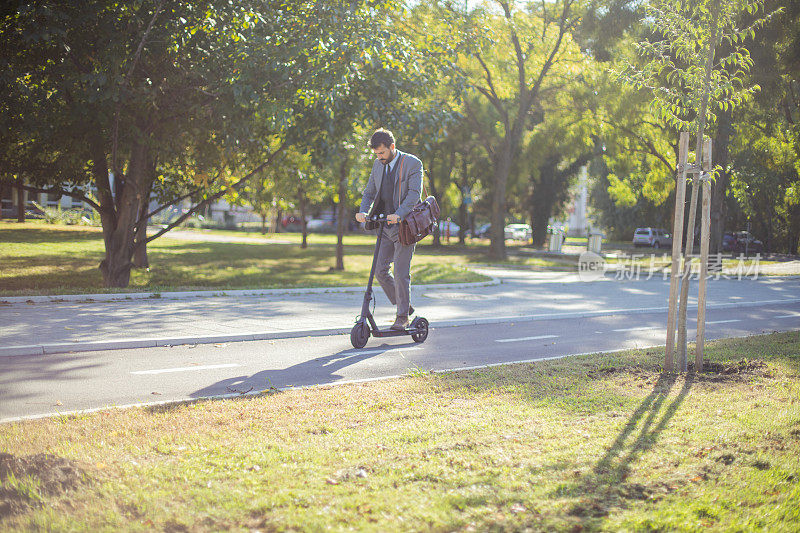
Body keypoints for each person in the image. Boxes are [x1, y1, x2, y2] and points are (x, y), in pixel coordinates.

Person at [355, 128, 423, 330]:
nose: (379, 157)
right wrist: (362, 211)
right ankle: (405, 305)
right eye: (376, 154)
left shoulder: (412, 163)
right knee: (380, 271)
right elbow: (369, 193)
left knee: (402, 273)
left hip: (405, 227)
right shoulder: (378, 165)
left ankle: (402, 316)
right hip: (384, 227)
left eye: (382, 153)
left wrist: (399, 214)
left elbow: (414, 194)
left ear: (392, 147)